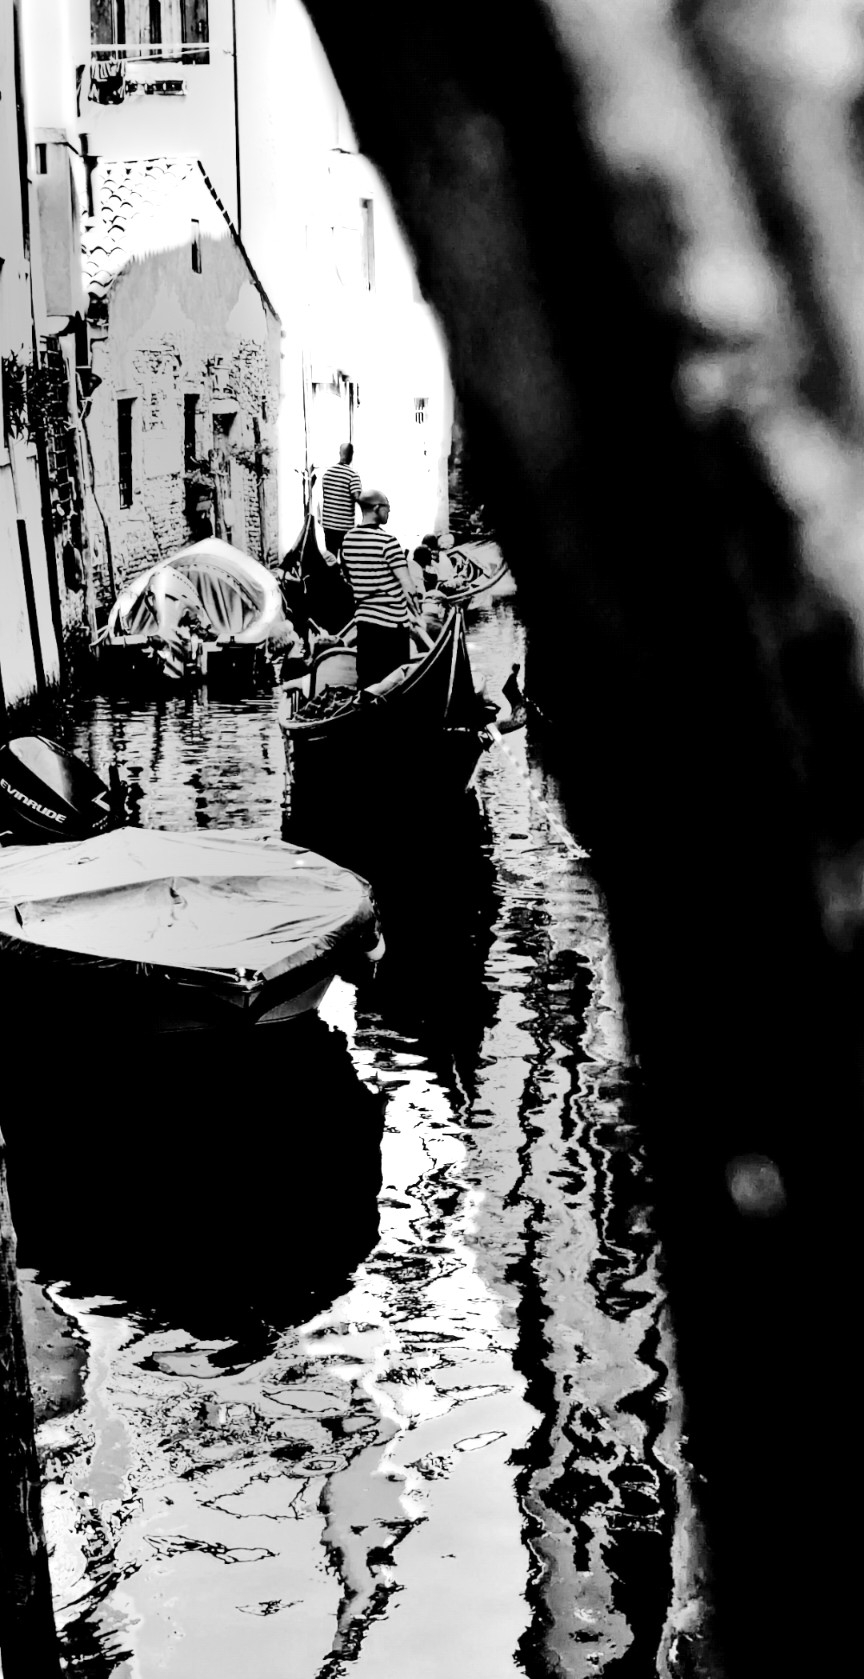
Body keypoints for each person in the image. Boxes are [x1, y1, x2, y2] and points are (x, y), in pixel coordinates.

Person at [341, 489, 422, 687]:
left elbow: (349, 577)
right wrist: (418, 615)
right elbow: (406, 584)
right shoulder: (388, 542)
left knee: (368, 679)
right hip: (393, 624)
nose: (389, 512)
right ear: (377, 508)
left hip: (365, 622)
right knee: (396, 681)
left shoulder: (348, 540)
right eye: (387, 508)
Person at [320, 443, 361, 558]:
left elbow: (326, 496)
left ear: (339, 453)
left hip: (328, 524)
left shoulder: (327, 474)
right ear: (351, 455)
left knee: (331, 557)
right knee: (346, 558)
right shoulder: (353, 475)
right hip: (345, 527)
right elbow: (357, 497)